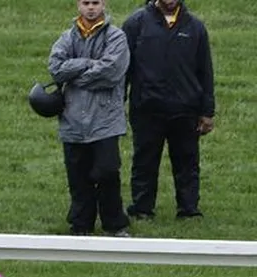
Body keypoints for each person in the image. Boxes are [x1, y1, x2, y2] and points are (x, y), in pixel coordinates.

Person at [122, 0, 214, 220]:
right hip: (147, 108)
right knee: (144, 161)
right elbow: (123, 69)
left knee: (187, 162)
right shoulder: (136, 24)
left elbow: (205, 72)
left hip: (185, 109)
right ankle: (142, 209)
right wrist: (117, 104)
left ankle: (189, 210)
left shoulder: (195, 27)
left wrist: (207, 111)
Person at [48, 0, 131, 237]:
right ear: (78, 5)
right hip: (73, 120)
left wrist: (75, 76)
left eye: (95, 2)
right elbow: (55, 68)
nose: (91, 8)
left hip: (105, 121)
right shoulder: (66, 37)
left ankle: (115, 224)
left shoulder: (116, 37)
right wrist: (87, 63)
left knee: (107, 173)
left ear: (103, 4)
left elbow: (111, 72)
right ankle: (81, 224)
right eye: (86, 3)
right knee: (78, 176)